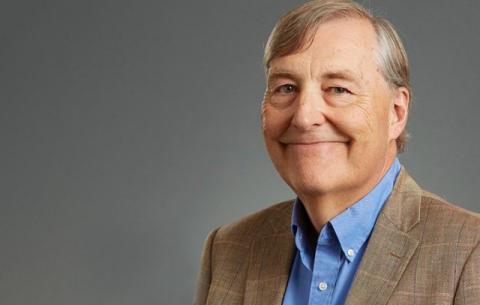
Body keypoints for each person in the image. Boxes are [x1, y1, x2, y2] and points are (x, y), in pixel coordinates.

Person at [194, 1, 480, 304]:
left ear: (396, 112)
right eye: (286, 88)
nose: (304, 116)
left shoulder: (470, 252)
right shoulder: (227, 249)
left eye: (338, 89)